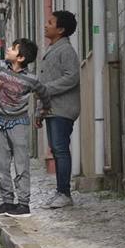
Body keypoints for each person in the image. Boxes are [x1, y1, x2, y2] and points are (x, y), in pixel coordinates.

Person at [0, 38, 51, 218]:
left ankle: (23, 204)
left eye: (13, 48)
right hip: (0, 122)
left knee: (21, 165)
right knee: (1, 165)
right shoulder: (0, 66)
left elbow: (44, 95)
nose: (8, 49)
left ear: (21, 57)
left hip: (19, 124)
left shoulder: (32, 79)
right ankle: (7, 201)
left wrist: (41, 112)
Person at [35, 11, 80, 209]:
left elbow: (72, 77)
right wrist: (39, 110)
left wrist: (48, 89)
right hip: (52, 109)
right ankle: (60, 191)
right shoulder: (52, 49)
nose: (46, 25)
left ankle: (64, 193)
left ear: (60, 29)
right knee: (56, 149)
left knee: (61, 150)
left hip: (63, 108)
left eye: (50, 22)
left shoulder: (66, 50)